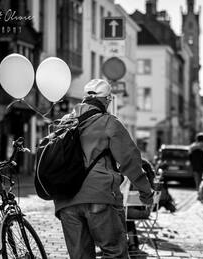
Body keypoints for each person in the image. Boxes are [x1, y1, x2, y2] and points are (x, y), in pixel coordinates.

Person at [54, 79, 154, 259]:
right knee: (115, 253)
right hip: (99, 197)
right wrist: (146, 192)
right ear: (107, 99)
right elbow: (130, 160)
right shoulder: (109, 123)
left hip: (65, 201)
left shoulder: (64, 123)